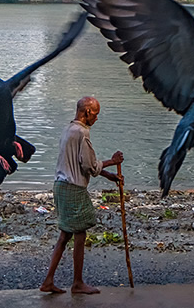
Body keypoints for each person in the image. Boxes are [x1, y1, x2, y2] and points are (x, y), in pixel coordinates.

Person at [40, 96, 123, 295]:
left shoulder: (69, 130)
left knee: (66, 234)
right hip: (73, 188)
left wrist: (110, 175)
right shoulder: (82, 133)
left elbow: (82, 163)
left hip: (61, 185)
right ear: (86, 113)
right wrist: (112, 161)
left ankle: (49, 281)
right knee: (80, 232)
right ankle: (77, 283)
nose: (96, 118)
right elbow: (89, 166)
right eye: (95, 114)